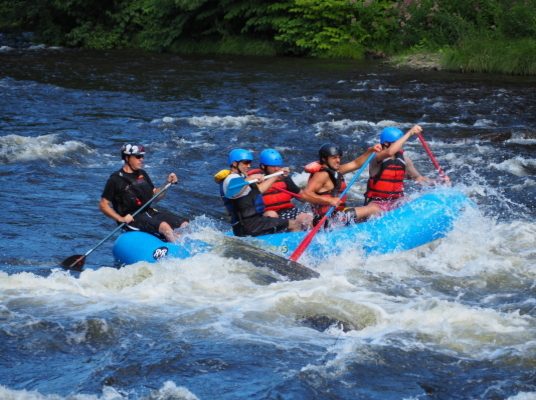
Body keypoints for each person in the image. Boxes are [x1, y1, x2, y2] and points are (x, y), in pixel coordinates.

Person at [99, 143, 189, 243]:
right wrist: (121, 218)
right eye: (138, 156)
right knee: (164, 226)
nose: (141, 159)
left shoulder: (142, 174)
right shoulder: (115, 179)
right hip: (132, 218)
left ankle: (187, 245)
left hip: (149, 212)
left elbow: (155, 197)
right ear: (127, 158)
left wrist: (167, 183)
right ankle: (178, 249)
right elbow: (103, 205)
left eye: (142, 156)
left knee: (185, 225)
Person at [357, 125, 451, 220]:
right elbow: (389, 152)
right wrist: (409, 133)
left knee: (414, 200)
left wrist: (439, 181)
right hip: (378, 203)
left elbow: (419, 179)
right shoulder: (376, 157)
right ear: (386, 143)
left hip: (397, 202)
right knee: (374, 211)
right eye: (397, 142)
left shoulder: (404, 160)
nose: (400, 145)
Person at [219, 149, 302, 237]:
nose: (249, 166)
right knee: (293, 224)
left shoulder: (240, 178)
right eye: (245, 163)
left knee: (279, 224)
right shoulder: (230, 179)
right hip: (249, 225)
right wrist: (250, 178)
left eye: (250, 163)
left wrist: (277, 175)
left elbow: (260, 190)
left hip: (253, 222)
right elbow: (233, 193)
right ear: (235, 164)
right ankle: (300, 247)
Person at [302, 142, 382, 228]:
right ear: (324, 159)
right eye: (334, 158)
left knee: (366, 218)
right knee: (375, 208)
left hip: (336, 216)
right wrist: (329, 200)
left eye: (338, 157)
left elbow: (356, 164)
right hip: (328, 221)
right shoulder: (322, 175)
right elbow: (305, 194)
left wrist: (371, 150)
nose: (338, 160)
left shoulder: (334, 171)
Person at [253, 149, 313, 229]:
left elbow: (301, 196)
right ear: (263, 166)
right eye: (273, 166)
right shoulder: (255, 180)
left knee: (308, 220)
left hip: (287, 210)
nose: (277, 169)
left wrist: (320, 198)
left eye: (278, 166)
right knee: (272, 215)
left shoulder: (284, 178)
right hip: (266, 213)